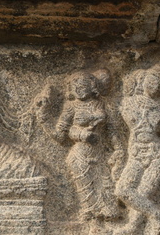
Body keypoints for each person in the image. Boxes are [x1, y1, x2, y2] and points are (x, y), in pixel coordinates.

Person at [54, 70, 120, 232]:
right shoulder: (71, 107)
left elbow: (112, 130)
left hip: (100, 153)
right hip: (80, 155)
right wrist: (82, 134)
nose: (79, 89)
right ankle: (92, 224)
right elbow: (60, 134)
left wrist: (118, 148)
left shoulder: (103, 104)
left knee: (106, 188)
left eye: (83, 85)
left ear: (92, 86)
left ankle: (108, 223)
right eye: (75, 86)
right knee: (87, 192)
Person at [115, 61, 160, 235]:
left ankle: (133, 227)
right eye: (152, 81)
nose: (155, 86)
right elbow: (133, 121)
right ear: (144, 79)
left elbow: (154, 128)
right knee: (123, 190)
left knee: (143, 192)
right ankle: (156, 214)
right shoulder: (129, 102)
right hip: (136, 153)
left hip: (157, 155)